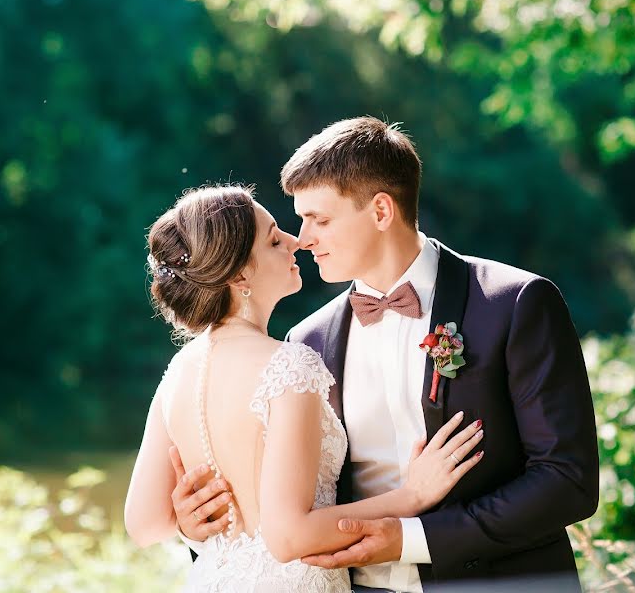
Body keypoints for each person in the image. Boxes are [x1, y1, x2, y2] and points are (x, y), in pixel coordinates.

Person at [170, 118, 599, 592]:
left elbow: (567, 481)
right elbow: (278, 514)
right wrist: (202, 524)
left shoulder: (513, 304)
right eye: (300, 219)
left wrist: (410, 539)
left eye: (322, 219)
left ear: (380, 211)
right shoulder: (303, 343)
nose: (304, 238)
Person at [124, 184, 484, 592]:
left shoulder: (179, 369)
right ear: (240, 274)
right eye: (275, 238)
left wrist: (193, 523)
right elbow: (289, 537)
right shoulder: (289, 364)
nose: (296, 241)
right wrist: (411, 497)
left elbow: (145, 524)